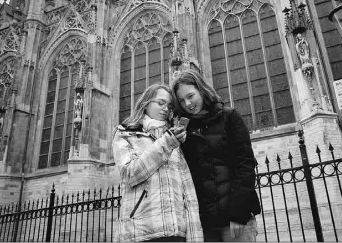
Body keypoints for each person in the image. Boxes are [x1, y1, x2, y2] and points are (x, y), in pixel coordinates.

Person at [171, 70, 261, 242]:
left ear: (201, 90)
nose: (188, 104)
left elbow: (246, 164)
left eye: (190, 96)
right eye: (182, 101)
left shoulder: (229, 117)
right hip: (204, 223)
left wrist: (239, 212)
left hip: (234, 217)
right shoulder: (184, 130)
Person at [112, 84, 203, 242]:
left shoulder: (174, 137)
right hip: (141, 233)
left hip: (176, 233)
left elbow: (187, 192)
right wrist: (167, 142)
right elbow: (129, 174)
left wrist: (195, 237)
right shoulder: (126, 133)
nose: (166, 108)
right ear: (145, 103)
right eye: (161, 103)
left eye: (169, 105)